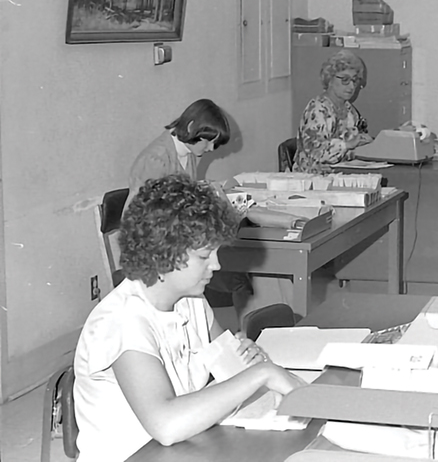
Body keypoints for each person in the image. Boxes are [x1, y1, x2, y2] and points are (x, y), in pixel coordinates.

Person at [74, 175, 304, 462]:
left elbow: (230, 367)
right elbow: (166, 425)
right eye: (204, 256)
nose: (217, 265)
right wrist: (261, 374)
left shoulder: (191, 300)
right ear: (162, 254)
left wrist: (249, 360)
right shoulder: (122, 321)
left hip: (188, 448)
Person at [127, 98, 251, 307]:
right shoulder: (156, 160)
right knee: (235, 276)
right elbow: (147, 222)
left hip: (177, 243)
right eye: (209, 141)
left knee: (236, 265)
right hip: (157, 251)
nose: (211, 148)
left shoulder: (189, 153)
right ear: (192, 128)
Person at [293, 50, 372, 173]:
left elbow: (353, 148)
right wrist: (347, 145)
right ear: (330, 79)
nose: (351, 86)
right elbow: (317, 153)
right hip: (313, 179)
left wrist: (365, 143)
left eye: (354, 80)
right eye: (345, 80)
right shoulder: (318, 110)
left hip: (340, 174)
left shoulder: (350, 110)